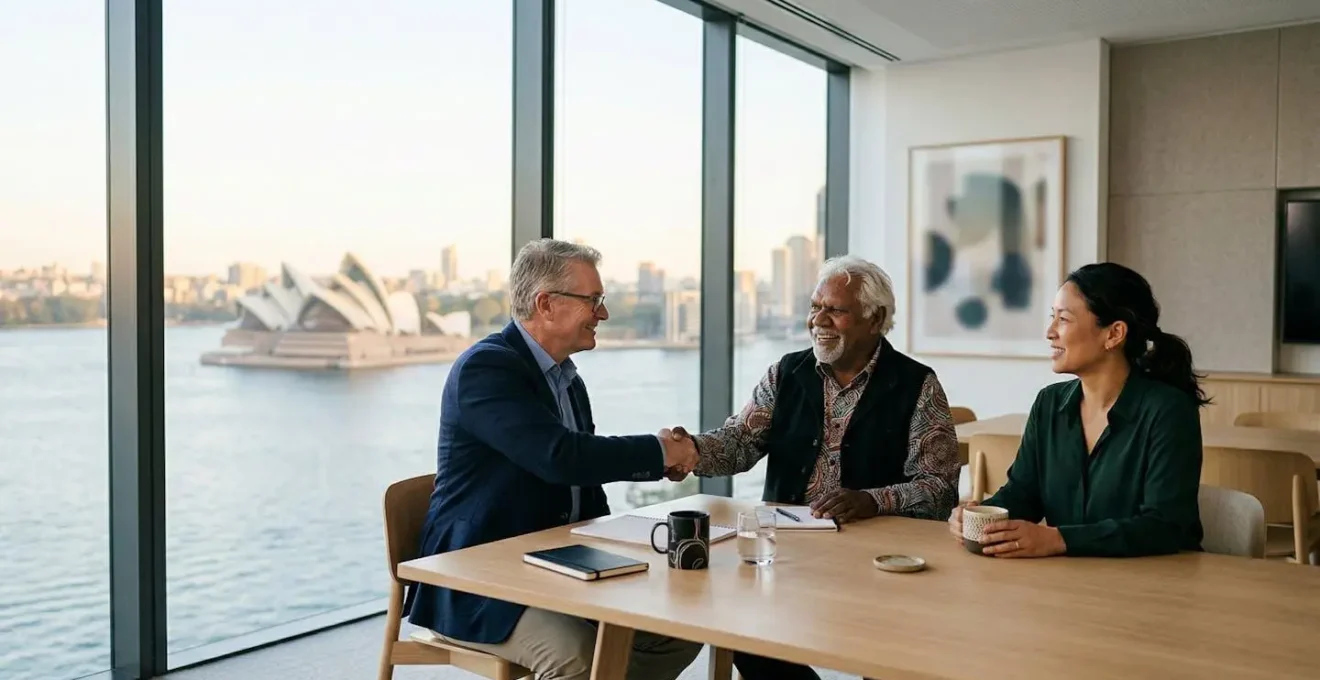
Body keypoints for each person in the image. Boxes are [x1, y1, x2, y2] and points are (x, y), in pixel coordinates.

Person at [404, 239, 702, 680]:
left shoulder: (567, 380)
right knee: (579, 659)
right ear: (545, 304)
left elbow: (583, 482)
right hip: (480, 579)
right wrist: (660, 452)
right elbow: (560, 459)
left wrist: (615, 551)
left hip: (560, 562)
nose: (603, 314)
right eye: (594, 300)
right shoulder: (486, 370)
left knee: (682, 626)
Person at [669, 255, 961, 680]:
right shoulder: (786, 373)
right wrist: (690, 450)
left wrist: (871, 500)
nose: (818, 320)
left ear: (874, 317)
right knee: (745, 632)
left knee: (887, 656)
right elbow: (739, 443)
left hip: (877, 558)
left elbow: (940, 488)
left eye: (835, 310)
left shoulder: (918, 383)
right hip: (789, 550)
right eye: (815, 307)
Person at [948, 262, 1207, 558]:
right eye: (1052, 318)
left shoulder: (1169, 411)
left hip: (1160, 584)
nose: (1050, 332)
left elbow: (1163, 527)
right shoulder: (1049, 404)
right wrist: (980, 516)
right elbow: (1023, 496)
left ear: (1114, 334)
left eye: (1064, 319)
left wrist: (1058, 539)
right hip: (1071, 582)